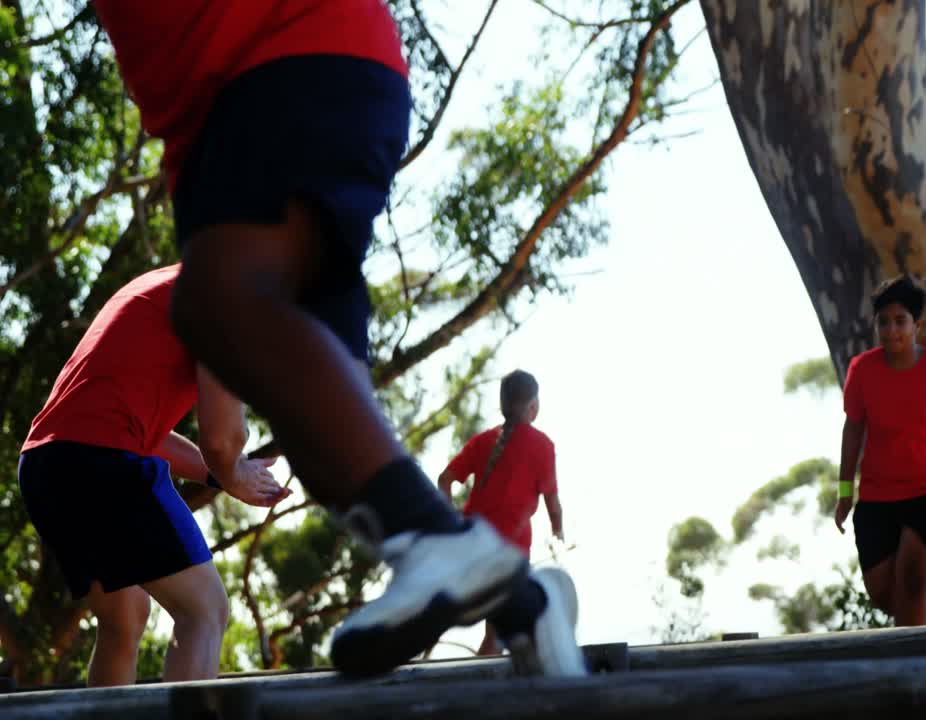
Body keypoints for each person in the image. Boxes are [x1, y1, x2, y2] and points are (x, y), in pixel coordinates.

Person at [89, 0, 584, 677]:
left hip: (281, 60)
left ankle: (438, 541)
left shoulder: (535, 445)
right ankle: (527, 606)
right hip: (266, 95)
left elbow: (223, 428)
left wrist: (224, 464)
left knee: (217, 302)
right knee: (320, 435)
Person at [18, 264, 289, 686]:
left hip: (45, 466)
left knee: (124, 616)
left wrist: (220, 477)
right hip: (101, 462)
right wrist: (232, 471)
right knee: (204, 610)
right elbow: (223, 439)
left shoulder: (165, 282)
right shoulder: (228, 290)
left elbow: (149, 434)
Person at [833, 274, 926, 626]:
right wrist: (844, 492)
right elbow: (853, 430)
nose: (891, 331)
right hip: (876, 499)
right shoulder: (862, 371)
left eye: (900, 322)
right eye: (883, 322)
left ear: (917, 325)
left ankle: (916, 677)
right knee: (887, 597)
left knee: (914, 586)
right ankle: (922, 651)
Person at [438, 370, 565, 656]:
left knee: (500, 631)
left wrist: (452, 525)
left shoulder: (483, 441)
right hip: (511, 552)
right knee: (503, 634)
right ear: (533, 407)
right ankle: (482, 694)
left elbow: (444, 479)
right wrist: (558, 531)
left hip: (473, 544)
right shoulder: (543, 446)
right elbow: (552, 503)